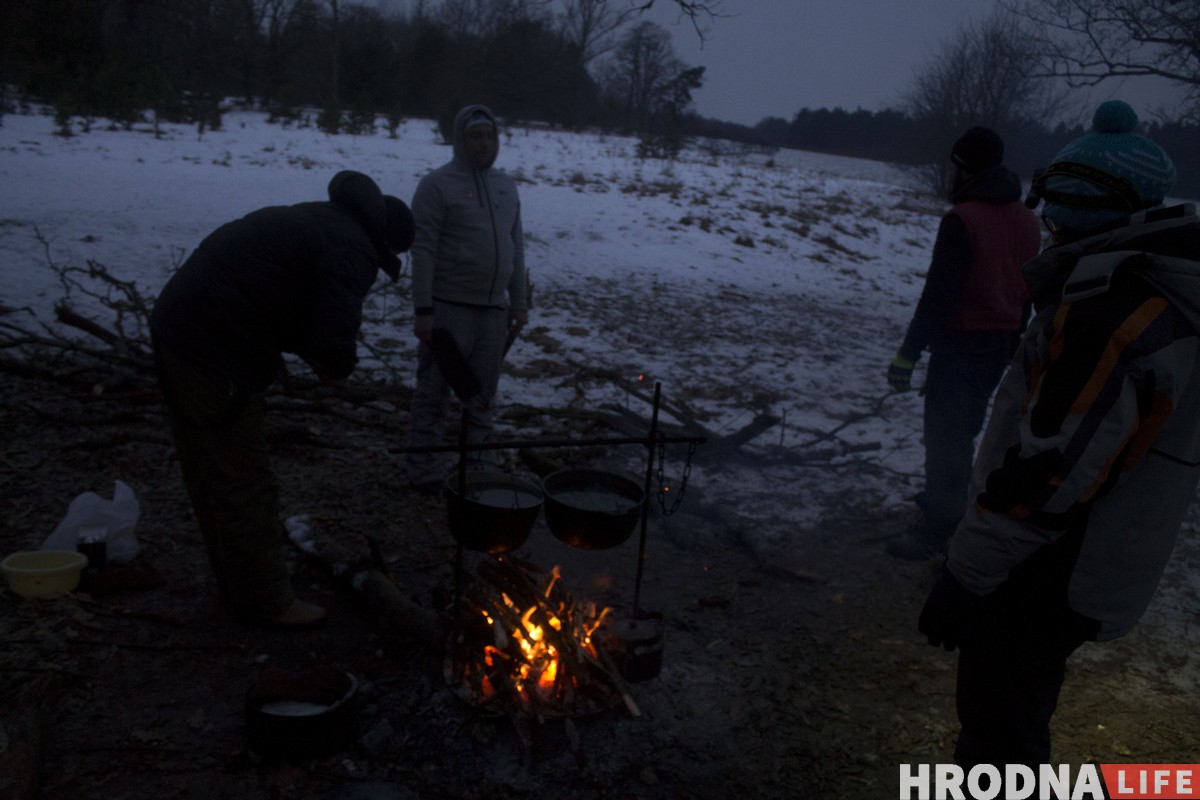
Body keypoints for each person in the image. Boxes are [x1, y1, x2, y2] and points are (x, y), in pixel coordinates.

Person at [918, 100, 1196, 770]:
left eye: (1052, 210)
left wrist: (965, 572)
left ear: (1075, 211)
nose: (1042, 224)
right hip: (1080, 558)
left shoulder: (1109, 313)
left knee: (998, 732)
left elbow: (1048, 474)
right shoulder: (1158, 291)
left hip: (1046, 569)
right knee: (1015, 717)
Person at [151, 170, 414, 628]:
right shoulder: (352, 248)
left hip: (181, 326)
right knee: (241, 474)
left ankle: (241, 581)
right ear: (387, 243)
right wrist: (335, 371)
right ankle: (268, 600)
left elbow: (287, 295)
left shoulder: (323, 220)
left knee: (208, 465)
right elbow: (333, 333)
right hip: (214, 346)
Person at [886, 126, 1042, 560]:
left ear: (964, 168)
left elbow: (938, 296)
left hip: (960, 346)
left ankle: (938, 530)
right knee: (965, 431)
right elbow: (1027, 289)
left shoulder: (963, 220)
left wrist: (907, 355)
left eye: (954, 166)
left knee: (944, 437)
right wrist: (1013, 343)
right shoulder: (1026, 220)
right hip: (999, 345)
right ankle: (951, 505)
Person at [405, 104, 528, 493]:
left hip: (493, 312)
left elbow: (516, 246)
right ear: (460, 139)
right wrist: (423, 310)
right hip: (448, 310)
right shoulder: (437, 185)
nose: (484, 143)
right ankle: (425, 473)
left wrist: (519, 302)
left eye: (490, 136)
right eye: (476, 135)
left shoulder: (506, 187)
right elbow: (421, 249)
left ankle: (478, 473)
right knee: (434, 395)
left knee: (482, 399)